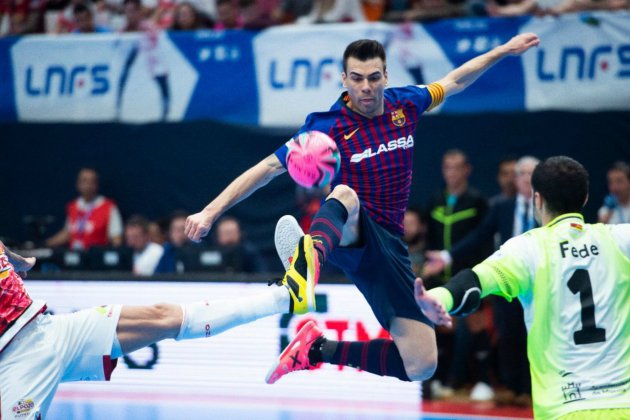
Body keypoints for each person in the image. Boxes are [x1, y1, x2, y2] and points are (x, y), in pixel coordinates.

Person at [185, 34, 540, 385]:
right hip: (347, 229)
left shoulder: (407, 104)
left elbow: (455, 79)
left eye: (373, 77)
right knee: (345, 194)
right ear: (344, 79)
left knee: (421, 363)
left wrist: (504, 50)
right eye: (356, 78)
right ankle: (304, 269)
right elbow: (266, 169)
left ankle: (316, 349)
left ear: (385, 76)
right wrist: (210, 212)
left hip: (389, 248)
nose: (366, 87)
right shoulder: (327, 126)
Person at [0, 231, 305, 418]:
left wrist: (16, 260)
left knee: (164, 317)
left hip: (46, 328)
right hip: (14, 360)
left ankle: (286, 297)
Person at [416, 155, 630, 419]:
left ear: (537, 200)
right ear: (585, 198)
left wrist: (439, 297)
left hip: (565, 408)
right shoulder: (620, 239)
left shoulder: (528, 249)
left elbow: (473, 283)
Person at [424, 155, 539, 405]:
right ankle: (513, 388)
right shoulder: (501, 206)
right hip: (508, 281)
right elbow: (479, 236)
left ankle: (533, 388)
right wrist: (447, 256)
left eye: (532, 175)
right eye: (522, 174)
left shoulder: (546, 208)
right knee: (508, 335)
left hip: (541, 283)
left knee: (535, 334)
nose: (525, 180)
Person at [46, 168, 123, 251]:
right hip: (74, 258)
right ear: (78, 184)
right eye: (84, 181)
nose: (88, 186)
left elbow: (116, 238)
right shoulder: (73, 206)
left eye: (92, 182)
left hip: (95, 258)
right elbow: (67, 233)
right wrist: (45, 244)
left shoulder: (109, 207)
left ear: (97, 185)